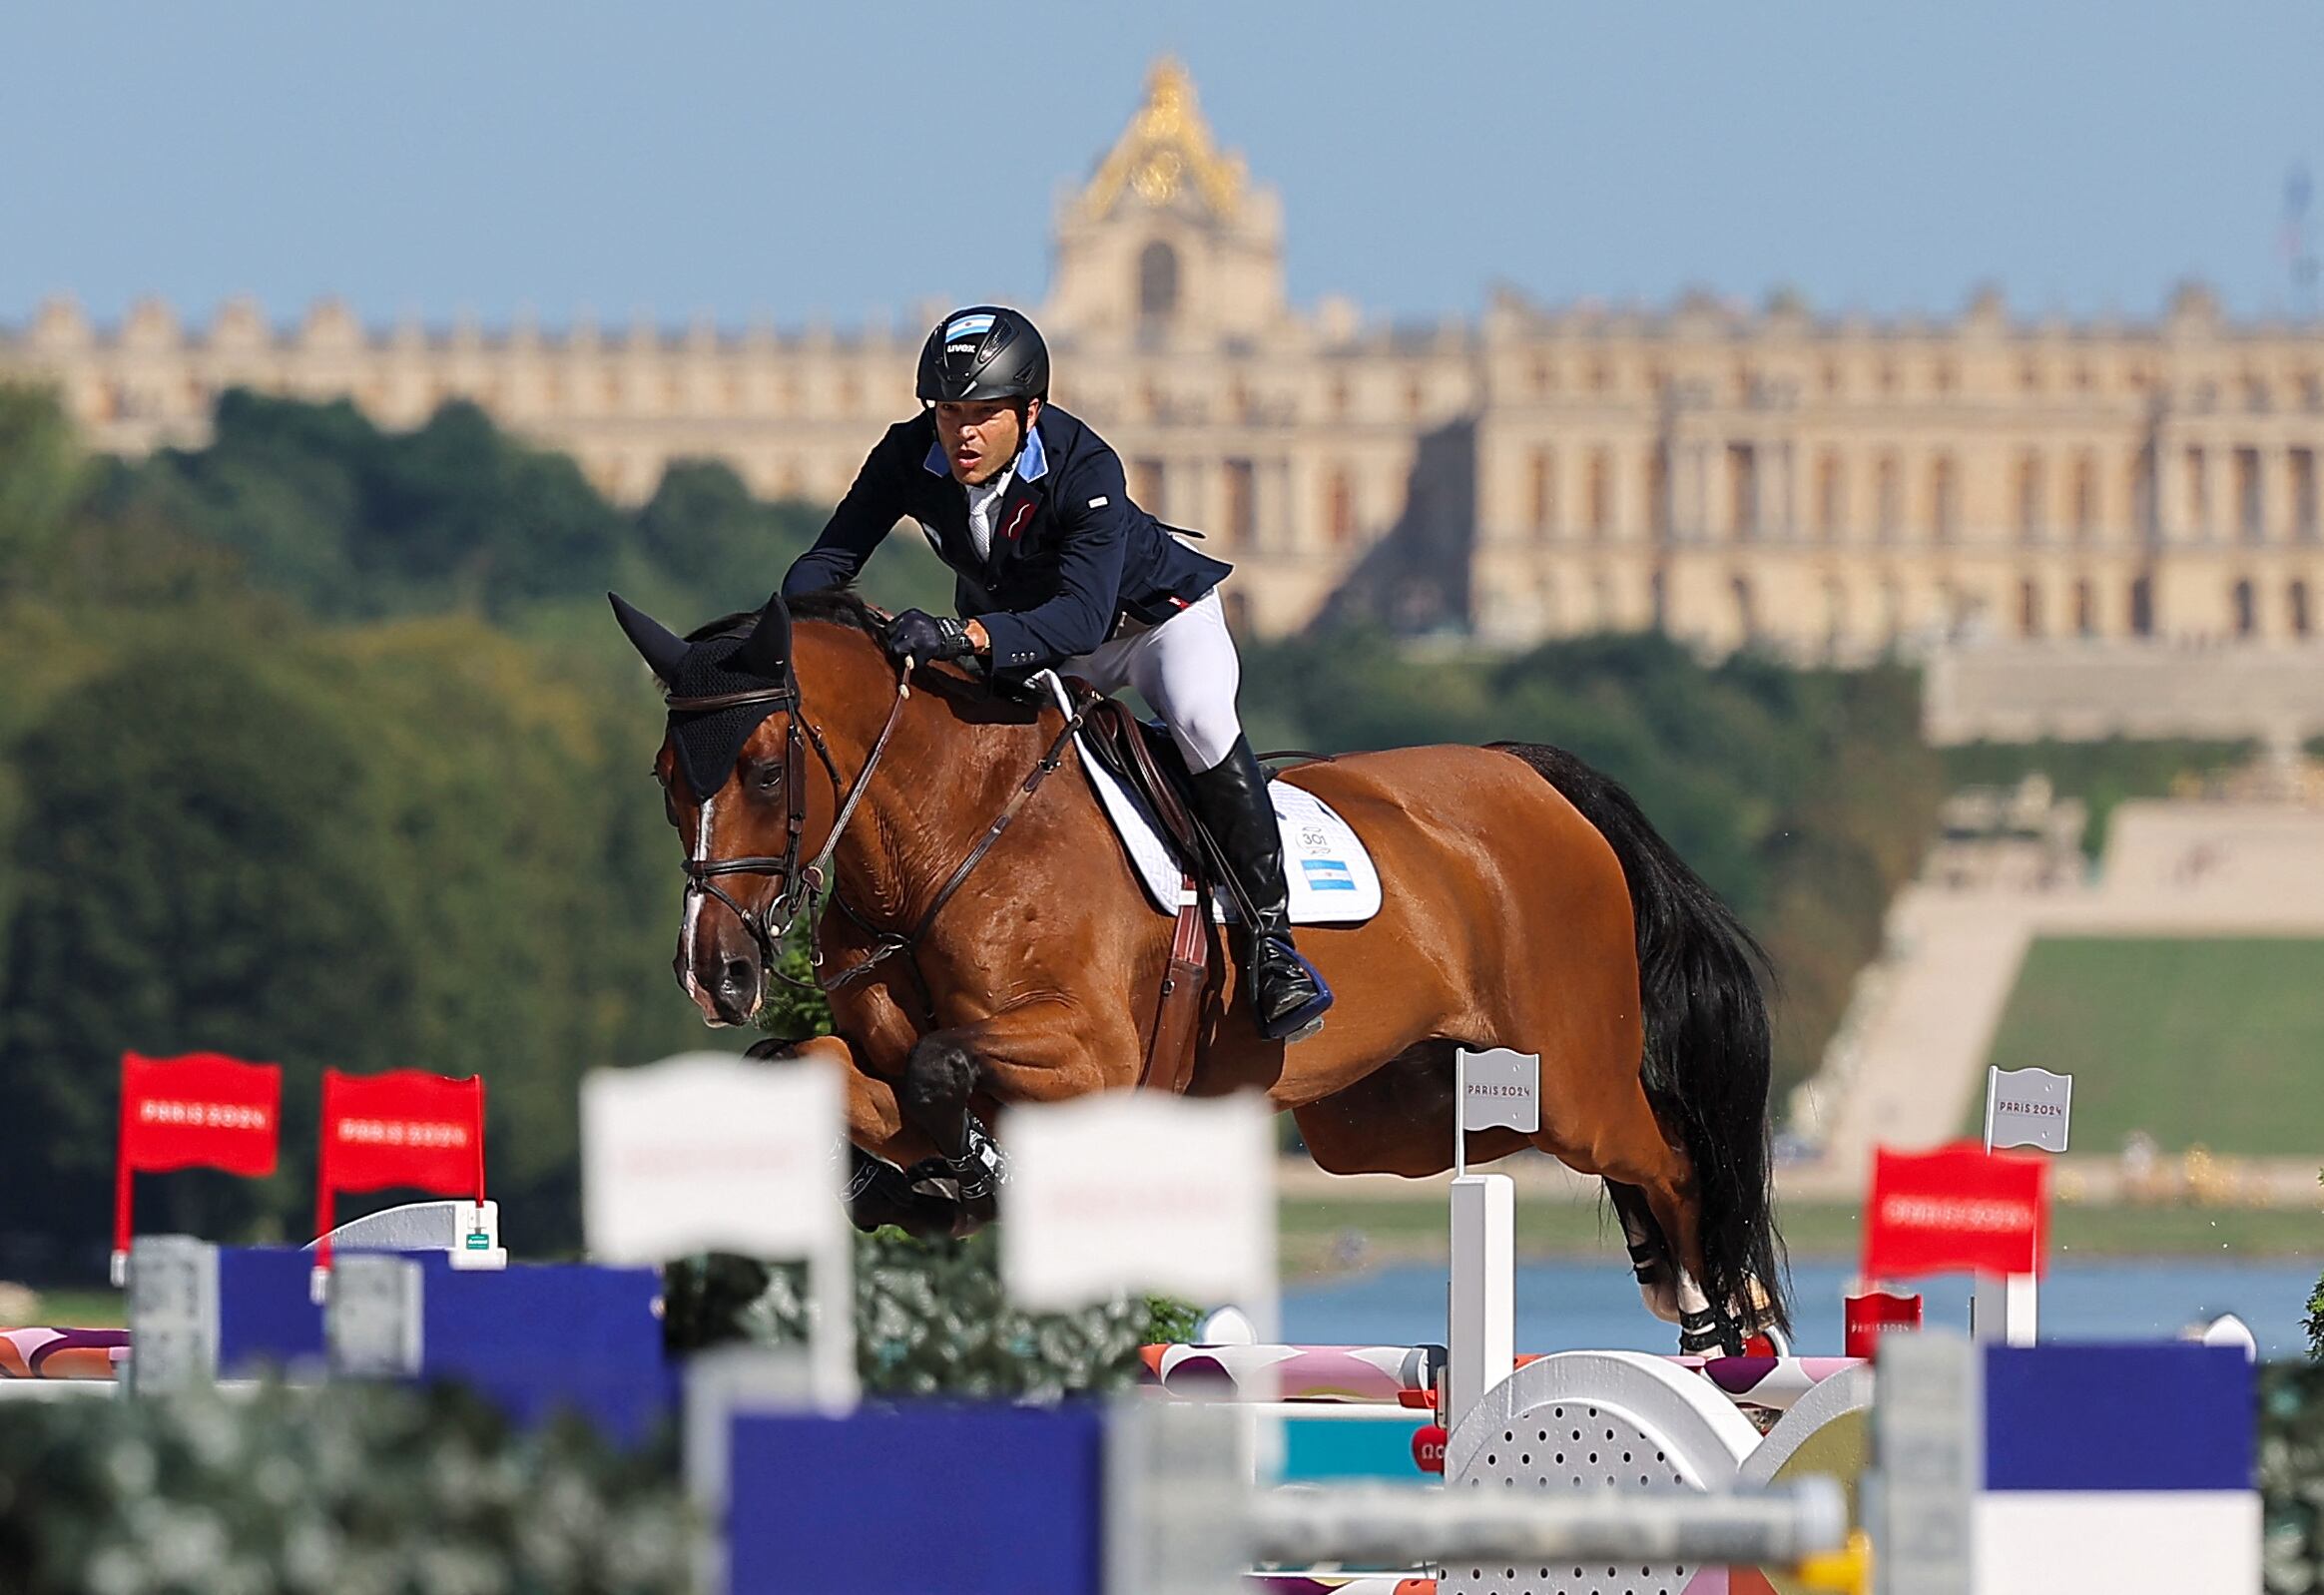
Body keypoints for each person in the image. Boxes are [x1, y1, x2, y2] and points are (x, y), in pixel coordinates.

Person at [782, 305, 1332, 1042]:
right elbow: (832, 557)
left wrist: (959, 633)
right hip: (1030, 638)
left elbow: (1077, 616)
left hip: (1150, 624)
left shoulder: (1085, 464)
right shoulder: (909, 455)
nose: (961, 434)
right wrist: (777, 629)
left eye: (982, 415)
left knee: (1201, 721)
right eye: (947, 413)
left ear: (1029, 410)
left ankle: (1274, 947)